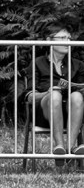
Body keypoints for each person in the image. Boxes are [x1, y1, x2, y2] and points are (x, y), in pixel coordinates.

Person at [26, 24, 84, 157]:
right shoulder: (37, 63)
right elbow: (29, 96)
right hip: (45, 113)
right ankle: (59, 145)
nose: (67, 42)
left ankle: (68, 149)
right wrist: (48, 93)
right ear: (49, 40)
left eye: (69, 38)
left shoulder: (78, 65)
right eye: (62, 38)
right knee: (55, 95)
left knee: (76, 96)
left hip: (73, 113)